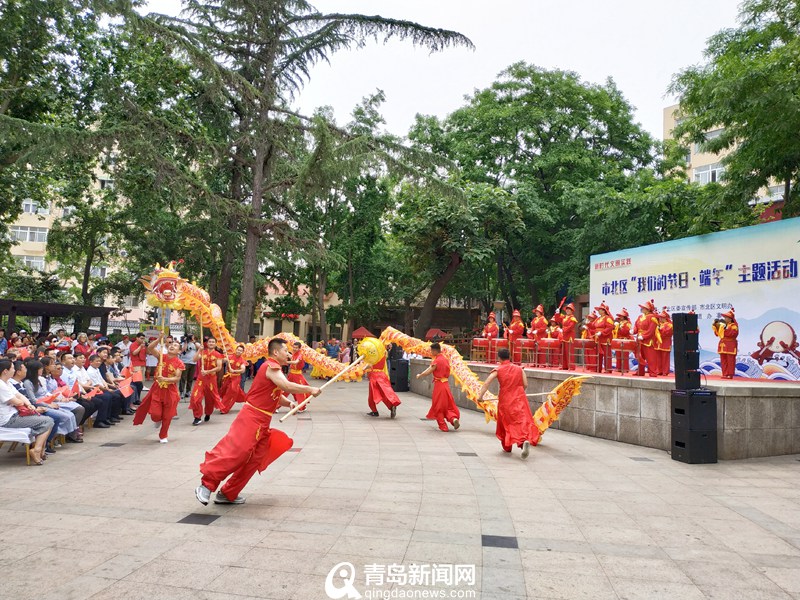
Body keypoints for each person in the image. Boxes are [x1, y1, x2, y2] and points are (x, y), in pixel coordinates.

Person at [195, 337, 320, 506]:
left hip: (262, 421)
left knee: (254, 459)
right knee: (237, 452)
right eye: (286, 351)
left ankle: (228, 493)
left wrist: (288, 403)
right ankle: (206, 485)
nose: (288, 354)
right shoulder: (271, 366)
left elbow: (274, 392)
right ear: (276, 352)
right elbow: (286, 386)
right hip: (251, 417)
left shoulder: (274, 369)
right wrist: (309, 389)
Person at [477, 347, 539, 459]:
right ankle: (522, 441)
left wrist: (480, 397)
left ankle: (507, 446)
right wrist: (518, 392)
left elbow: (487, 383)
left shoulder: (498, 370)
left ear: (499, 358)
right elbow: (525, 384)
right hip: (520, 398)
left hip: (506, 399)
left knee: (506, 422)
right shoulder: (519, 369)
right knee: (519, 420)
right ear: (509, 356)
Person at [0, 359, 54, 465]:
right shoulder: (1, 385)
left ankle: (38, 449)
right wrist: (20, 402)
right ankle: (37, 450)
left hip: (15, 414)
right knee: (47, 421)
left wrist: (28, 404)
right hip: (8, 419)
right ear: (5, 371)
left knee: (48, 420)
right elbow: (16, 401)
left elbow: (19, 396)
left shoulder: (7, 383)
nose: (14, 370)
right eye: (12, 368)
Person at [133, 333, 184, 443]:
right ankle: (157, 419)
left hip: (170, 391)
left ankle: (163, 435)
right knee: (155, 414)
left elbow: (177, 378)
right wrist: (158, 339)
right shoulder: (161, 356)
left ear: (179, 351)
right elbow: (150, 348)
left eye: (175, 346)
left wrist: (165, 379)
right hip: (157, 388)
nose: (172, 346)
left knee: (168, 415)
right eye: (170, 344)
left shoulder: (179, 363)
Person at [415, 342, 460, 432]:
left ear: (435, 350)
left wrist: (420, 375)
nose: (431, 352)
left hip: (439, 385)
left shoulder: (437, 360)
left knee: (438, 406)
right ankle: (453, 419)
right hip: (446, 385)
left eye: (431, 351)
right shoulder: (445, 359)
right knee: (447, 405)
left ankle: (443, 426)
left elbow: (429, 370)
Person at [189, 337, 224, 425]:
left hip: (211, 380)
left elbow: (219, 367)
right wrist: (199, 350)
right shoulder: (202, 352)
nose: (211, 343)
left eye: (213, 342)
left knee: (210, 399)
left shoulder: (218, 354)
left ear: (215, 344)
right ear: (207, 343)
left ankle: (208, 413)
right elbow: (194, 359)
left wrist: (208, 372)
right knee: (195, 397)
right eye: (209, 342)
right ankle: (197, 417)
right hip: (201, 379)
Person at [365, 345, 401, 418]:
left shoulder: (375, 355)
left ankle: (374, 411)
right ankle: (392, 405)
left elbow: (369, 365)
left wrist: (362, 368)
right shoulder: (384, 353)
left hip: (374, 375)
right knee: (386, 392)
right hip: (382, 374)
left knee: (373, 394)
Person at [633, 299, 660, 377]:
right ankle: (640, 371)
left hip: (648, 340)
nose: (642, 309)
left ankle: (653, 372)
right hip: (639, 338)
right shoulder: (640, 317)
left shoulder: (652, 318)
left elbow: (651, 330)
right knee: (640, 356)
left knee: (650, 357)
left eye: (644, 307)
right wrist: (633, 331)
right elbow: (636, 326)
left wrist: (644, 336)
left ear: (648, 309)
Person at [219, 344, 247, 414]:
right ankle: (248, 399)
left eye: (241, 351)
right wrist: (224, 354)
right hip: (228, 377)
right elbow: (222, 360)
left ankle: (224, 408)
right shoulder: (230, 357)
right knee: (224, 390)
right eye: (238, 350)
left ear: (242, 352)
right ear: (236, 349)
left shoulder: (242, 361)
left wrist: (234, 371)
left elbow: (243, 370)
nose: (239, 351)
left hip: (236, 378)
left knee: (231, 391)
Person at [713, 307, 739, 378]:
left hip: (730, 345)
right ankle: (725, 374)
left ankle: (730, 374)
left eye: (726, 317)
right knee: (723, 360)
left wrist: (723, 330)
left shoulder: (734, 326)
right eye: (725, 317)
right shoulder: (723, 325)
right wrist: (716, 328)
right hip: (722, 345)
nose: (725, 319)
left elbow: (733, 334)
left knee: (730, 360)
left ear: (730, 319)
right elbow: (717, 334)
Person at [286, 341, 310, 412]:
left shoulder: (300, 355)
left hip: (297, 375)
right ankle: (276, 407)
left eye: (296, 348)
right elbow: (291, 356)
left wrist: (286, 362)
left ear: (299, 348)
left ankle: (302, 407)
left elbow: (296, 362)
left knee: (299, 390)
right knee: (285, 389)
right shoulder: (294, 354)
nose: (294, 349)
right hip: (291, 374)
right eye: (294, 347)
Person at [592, 302, 614, 373]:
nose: (599, 311)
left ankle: (608, 369)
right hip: (598, 337)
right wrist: (588, 324)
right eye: (599, 309)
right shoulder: (598, 318)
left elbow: (610, 327)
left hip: (605, 337)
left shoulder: (608, 318)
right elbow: (593, 325)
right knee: (598, 353)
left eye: (600, 309)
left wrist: (602, 332)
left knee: (607, 354)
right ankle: (598, 368)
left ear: (604, 310)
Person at [557, 303, 578, 371]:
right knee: (564, 352)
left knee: (569, 351)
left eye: (569, 309)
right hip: (564, 335)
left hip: (569, 336)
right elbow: (558, 319)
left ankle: (571, 366)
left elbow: (570, 327)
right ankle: (564, 366)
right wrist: (557, 313)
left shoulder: (572, 318)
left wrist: (562, 330)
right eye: (567, 309)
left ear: (572, 311)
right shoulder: (565, 317)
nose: (568, 310)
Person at [129, 333, 147, 404]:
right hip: (136, 364)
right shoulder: (133, 345)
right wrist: (140, 347)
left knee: (141, 382)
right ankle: (135, 399)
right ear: (137, 338)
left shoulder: (143, 345)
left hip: (142, 363)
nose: (143, 340)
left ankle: (137, 398)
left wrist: (147, 347)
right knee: (137, 382)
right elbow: (134, 353)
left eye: (143, 338)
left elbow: (148, 353)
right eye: (141, 338)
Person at [613, 309, 633, 374]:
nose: (620, 317)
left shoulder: (628, 323)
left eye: (621, 316)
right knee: (618, 354)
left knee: (624, 355)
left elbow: (626, 331)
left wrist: (619, 328)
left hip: (625, 340)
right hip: (619, 339)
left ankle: (625, 368)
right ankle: (618, 367)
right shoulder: (620, 323)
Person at [179, 335, 198, 399]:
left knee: (190, 378)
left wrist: (194, 342)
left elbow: (200, 347)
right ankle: (181, 391)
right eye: (191, 337)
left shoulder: (194, 344)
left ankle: (188, 391)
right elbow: (183, 350)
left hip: (193, 362)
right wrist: (185, 342)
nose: (192, 338)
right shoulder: (183, 343)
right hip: (185, 362)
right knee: (183, 378)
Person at [656, 308, 673, 376]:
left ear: (665, 318)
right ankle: (659, 370)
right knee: (658, 358)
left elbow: (666, 333)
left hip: (666, 343)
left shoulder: (669, 325)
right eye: (660, 317)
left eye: (662, 317)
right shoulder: (659, 324)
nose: (660, 319)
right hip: (659, 343)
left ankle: (665, 371)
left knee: (665, 358)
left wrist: (660, 329)